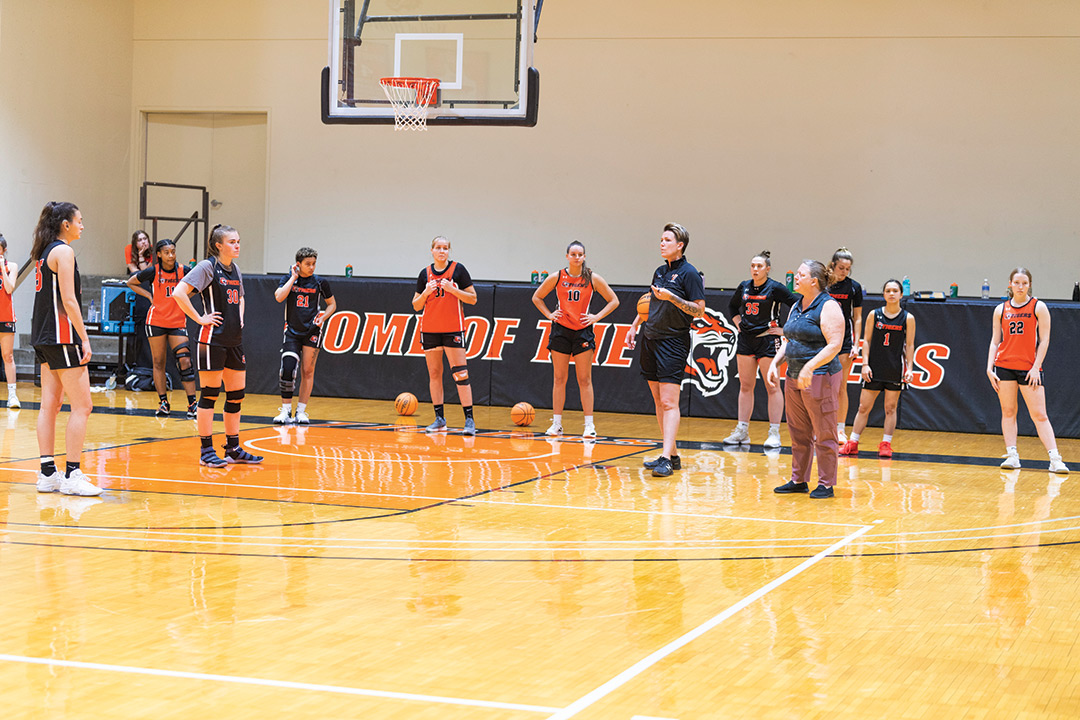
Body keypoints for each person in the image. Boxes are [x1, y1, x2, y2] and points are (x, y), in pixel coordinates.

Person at [173, 224, 263, 467]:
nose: (237, 245)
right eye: (232, 242)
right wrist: (200, 318)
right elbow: (179, 292)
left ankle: (232, 448)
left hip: (234, 341)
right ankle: (206, 451)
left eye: (239, 241)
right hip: (211, 341)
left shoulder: (235, 269)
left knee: (236, 396)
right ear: (218, 245)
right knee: (210, 394)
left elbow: (240, 296)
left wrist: (240, 316)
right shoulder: (207, 267)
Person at [31, 202, 102, 496]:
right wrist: (84, 337)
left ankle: (48, 473)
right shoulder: (64, 251)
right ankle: (72, 473)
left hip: (43, 336)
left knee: (50, 405)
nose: (83, 226)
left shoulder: (44, 252)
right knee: (83, 406)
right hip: (62, 336)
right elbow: (69, 300)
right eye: (80, 221)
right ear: (65, 224)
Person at [625, 223, 706, 477]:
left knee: (670, 401)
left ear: (679, 245)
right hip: (651, 338)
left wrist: (673, 298)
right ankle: (670, 453)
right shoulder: (660, 271)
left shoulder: (690, 274)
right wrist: (635, 325)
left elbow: (699, 309)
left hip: (673, 341)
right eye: (661, 239)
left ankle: (665, 459)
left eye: (667, 240)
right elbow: (648, 305)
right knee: (659, 401)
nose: (662, 243)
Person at [768, 260, 844, 499]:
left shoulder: (829, 306)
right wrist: (774, 362)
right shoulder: (797, 305)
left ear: (814, 281)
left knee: (824, 432)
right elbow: (789, 339)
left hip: (821, 376)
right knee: (798, 432)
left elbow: (835, 345)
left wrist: (810, 366)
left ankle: (825, 484)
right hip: (794, 376)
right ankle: (798, 479)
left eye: (800, 274)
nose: (795, 277)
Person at [531, 241, 620, 438]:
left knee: (584, 379)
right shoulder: (557, 277)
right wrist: (549, 314)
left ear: (584, 257)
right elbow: (537, 297)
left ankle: (589, 425)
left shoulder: (592, 278)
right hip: (561, 330)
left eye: (580, 254)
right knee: (559, 378)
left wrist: (596, 317)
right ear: (567, 256)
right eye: (573, 254)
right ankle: (556, 424)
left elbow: (614, 300)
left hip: (583, 331)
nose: (577, 257)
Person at [986, 268, 1068, 473]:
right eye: (1016, 283)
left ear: (1029, 284)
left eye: (1024, 283)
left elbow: (1045, 339)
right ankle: (1012, 455)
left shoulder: (1038, 307)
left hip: (1028, 368)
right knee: (1008, 411)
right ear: (1010, 284)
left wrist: (1035, 367)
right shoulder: (1000, 309)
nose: (1020, 286)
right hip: (1004, 366)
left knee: (1039, 414)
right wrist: (989, 367)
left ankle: (1055, 459)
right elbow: (995, 341)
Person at [723, 250, 799, 448]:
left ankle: (774, 432)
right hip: (746, 340)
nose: (755, 269)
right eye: (752, 266)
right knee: (746, 386)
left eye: (759, 266)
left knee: (772, 386)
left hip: (768, 340)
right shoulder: (744, 286)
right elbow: (732, 307)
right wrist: (738, 323)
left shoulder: (775, 288)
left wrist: (785, 329)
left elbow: (798, 305)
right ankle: (742, 431)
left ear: (767, 269)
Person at [840, 279, 915, 458]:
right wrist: (864, 364)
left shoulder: (908, 318)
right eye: (888, 290)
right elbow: (866, 340)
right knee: (863, 407)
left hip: (894, 368)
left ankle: (886, 444)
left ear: (901, 294)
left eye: (895, 290)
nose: (891, 293)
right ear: (883, 294)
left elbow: (910, 345)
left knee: (890, 408)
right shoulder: (874, 314)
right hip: (874, 367)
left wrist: (909, 368)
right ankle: (853, 442)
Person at [412, 236, 478, 435]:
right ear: (431, 250)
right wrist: (425, 293)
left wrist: (453, 290)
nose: (442, 251)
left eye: (445, 248)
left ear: (449, 251)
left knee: (461, 374)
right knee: (434, 374)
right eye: (438, 248)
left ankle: (469, 420)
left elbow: (473, 298)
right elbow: (416, 305)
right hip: (430, 329)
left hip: (453, 329)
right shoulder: (425, 274)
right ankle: (439, 419)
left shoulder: (458, 270)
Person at [127, 238, 198, 419]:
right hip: (156, 321)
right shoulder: (153, 271)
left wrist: (186, 296)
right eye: (167, 252)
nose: (171, 255)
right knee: (158, 363)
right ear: (158, 254)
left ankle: (192, 404)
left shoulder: (184, 270)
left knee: (185, 361)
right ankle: (164, 403)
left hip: (177, 322)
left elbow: (200, 284)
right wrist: (149, 295)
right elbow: (131, 282)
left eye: (173, 251)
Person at [273, 247, 336, 425]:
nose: (312, 267)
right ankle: (285, 411)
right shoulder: (288, 279)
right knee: (287, 368)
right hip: (292, 331)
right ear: (298, 264)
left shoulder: (320, 282)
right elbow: (278, 297)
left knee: (307, 371)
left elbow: (332, 304)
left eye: (314, 264)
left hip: (312, 331)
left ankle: (301, 411)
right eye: (308, 264)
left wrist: (323, 316)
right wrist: (293, 278)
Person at [826, 248, 863, 444]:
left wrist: (856, 344)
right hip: (823, 340)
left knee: (841, 387)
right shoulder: (823, 285)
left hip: (844, 341)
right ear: (832, 266)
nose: (844, 272)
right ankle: (822, 428)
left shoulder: (854, 287)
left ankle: (840, 430)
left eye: (848, 269)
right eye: (841, 268)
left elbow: (857, 318)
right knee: (821, 387)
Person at [0, 234, 20, 409]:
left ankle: (12, 395)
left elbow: (9, 288)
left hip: (5, 316)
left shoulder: (11, 266)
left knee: (8, 355)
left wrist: (1, 268)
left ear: (4, 250)